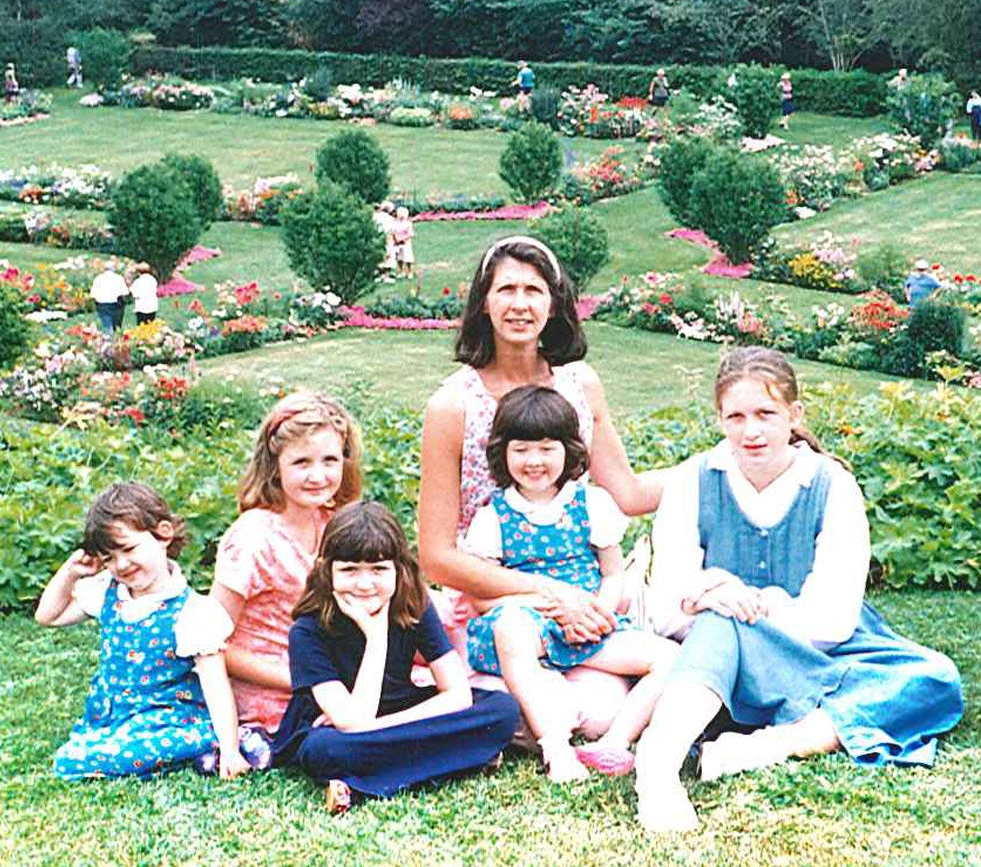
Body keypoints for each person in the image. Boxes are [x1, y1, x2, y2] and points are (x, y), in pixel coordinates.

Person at [633, 347, 964, 833]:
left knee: (936, 678)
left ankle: (770, 744)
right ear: (720, 419)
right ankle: (658, 768)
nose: (752, 431)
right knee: (719, 620)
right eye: (737, 416)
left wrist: (750, 604)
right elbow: (664, 610)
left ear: (794, 414)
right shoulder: (692, 481)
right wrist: (712, 597)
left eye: (766, 414)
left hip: (818, 648)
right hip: (717, 654)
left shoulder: (832, 485)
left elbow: (832, 621)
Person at [416, 237, 663, 742]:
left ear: (554, 304)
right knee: (524, 711)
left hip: (585, 603)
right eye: (506, 289)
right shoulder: (453, 405)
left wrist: (725, 460)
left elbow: (630, 493)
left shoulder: (580, 385)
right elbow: (437, 556)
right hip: (495, 601)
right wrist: (552, 596)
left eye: (534, 290)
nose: (520, 304)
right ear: (484, 301)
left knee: (601, 718)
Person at [462, 387, 680, 781]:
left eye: (547, 448)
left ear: (569, 450)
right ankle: (556, 749)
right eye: (521, 449)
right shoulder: (493, 517)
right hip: (528, 627)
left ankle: (615, 742)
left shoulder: (592, 504)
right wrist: (551, 610)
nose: (534, 461)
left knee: (669, 658)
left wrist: (600, 613)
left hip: (590, 624)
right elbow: (481, 597)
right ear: (502, 453)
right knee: (511, 626)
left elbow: (613, 572)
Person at [270, 502, 520, 814]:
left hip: (389, 716)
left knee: (502, 709)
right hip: (334, 729)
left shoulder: (414, 604)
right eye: (349, 570)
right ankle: (462, 760)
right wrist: (375, 636)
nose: (364, 584)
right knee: (325, 751)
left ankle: (362, 783)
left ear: (399, 568)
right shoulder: (307, 631)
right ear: (326, 569)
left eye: (378, 569)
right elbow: (350, 720)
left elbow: (457, 694)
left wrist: (382, 726)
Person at [35, 483, 251, 780]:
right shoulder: (108, 593)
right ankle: (126, 750)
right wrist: (70, 571)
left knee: (78, 761)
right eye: (109, 557)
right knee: (80, 752)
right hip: (113, 715)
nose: (121, 564)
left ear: (163, 534)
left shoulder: (193, 612)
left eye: (128, 549)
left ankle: (213, 745)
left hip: (168, 717)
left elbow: (216, 686)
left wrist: (230, 750)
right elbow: (49, 616)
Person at [211, 392, 366, 736]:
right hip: (278, 695)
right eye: (301, 463)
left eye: (329, 460)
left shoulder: (335, 523)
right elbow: (213, 644)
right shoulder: (253, 538)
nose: (318, 475)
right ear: (275, 467)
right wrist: (302, 680)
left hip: (334, 677)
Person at [90, 264, 129, 334]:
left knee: (107, 325)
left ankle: (109, 338)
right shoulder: (118, 278)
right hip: (115, 305)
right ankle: (114, 339)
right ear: (113, 269)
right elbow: (125, 293)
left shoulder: (98, 279)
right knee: (116, 326)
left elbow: (93, 295)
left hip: (102, 305)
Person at [388, 206, 416, 280]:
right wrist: (395, 240)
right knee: (399, 257)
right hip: (397, 242)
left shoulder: (408, 223)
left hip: (405, 243)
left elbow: (410, 234)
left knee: (408, 258)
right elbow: (392, 232)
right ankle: (400, 271)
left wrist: (403, 239)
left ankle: (410, 272)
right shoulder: (394, 223)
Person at [128, 263, 160, 327]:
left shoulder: (138, 281)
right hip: (152, 306)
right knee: (151, 326)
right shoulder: (153, 280)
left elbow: (133, 293)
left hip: (141, 306)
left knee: (141, 326)